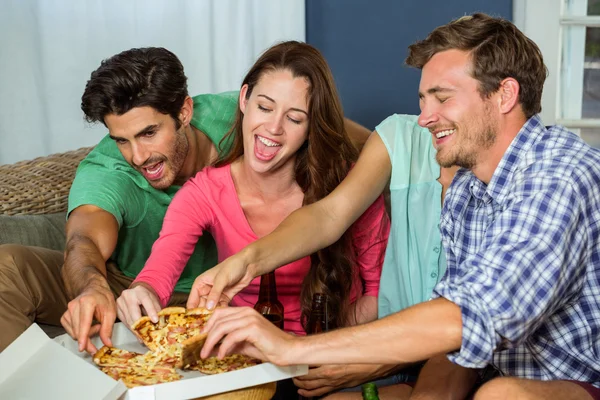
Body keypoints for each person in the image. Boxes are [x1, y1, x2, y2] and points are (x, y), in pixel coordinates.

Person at [191, 13, 600, 399]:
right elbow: (454, 335)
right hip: (487, 367)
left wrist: (292, 348)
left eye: (442, 98)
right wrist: (247, 262)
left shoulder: (557, 175)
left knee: (501, 395)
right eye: (423, 100)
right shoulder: (468, 189)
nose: (424, 118)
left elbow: (467, 319)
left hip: (574, 379)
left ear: (504, 94)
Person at [0, 46, 373, 353]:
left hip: (228, 301)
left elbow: (346, 136)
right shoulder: (113, 171)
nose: (137, 156)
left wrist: (396, 162)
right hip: (131, 286)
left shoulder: (252, 116)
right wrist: (94, 288)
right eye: (121, 139)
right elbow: (84, 240)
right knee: (8, 266)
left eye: (148, 133)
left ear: (185, 112)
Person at [116, 41, 389, 338]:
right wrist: (142, 291)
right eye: (264, 107)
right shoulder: (204, 193)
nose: (273, 128)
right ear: (244, 99)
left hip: (334, 353)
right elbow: (160, 268)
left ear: (312, 125)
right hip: (249, 356)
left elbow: (379, 295)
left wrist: (316, 352)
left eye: (294, 118)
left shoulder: (350, 187)